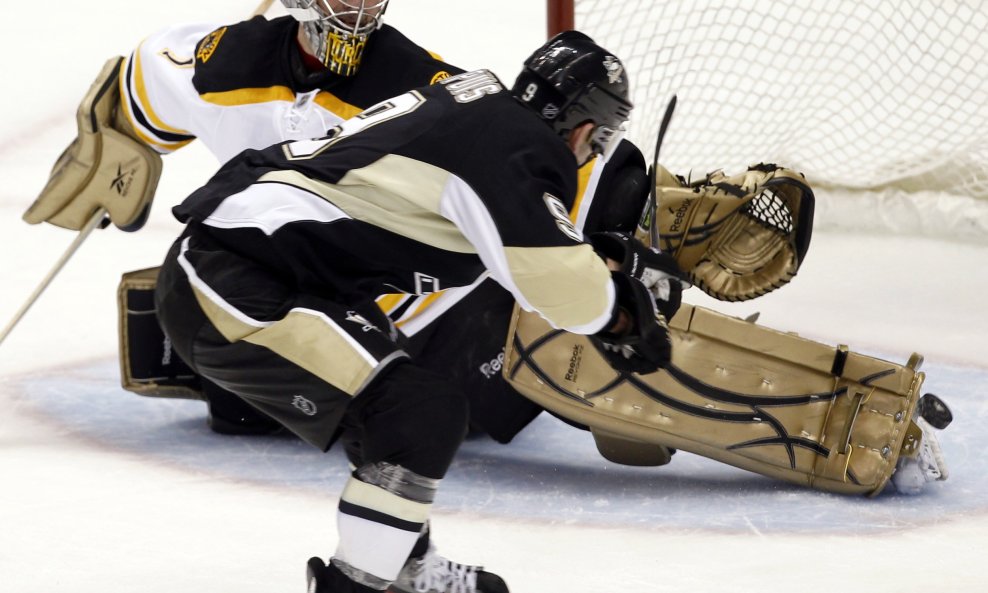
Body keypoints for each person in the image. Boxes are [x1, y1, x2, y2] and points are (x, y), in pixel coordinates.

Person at [153, 31, 682, 593]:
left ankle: (405, 566)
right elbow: (555, 285)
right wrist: (624, 316)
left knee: (393, 406)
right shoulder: (517, 146)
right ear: (584, 129)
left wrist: (595, 267)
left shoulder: (482, 108)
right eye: (599, 140)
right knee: (419, 411)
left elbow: (509, 245)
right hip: (230, 281)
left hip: (259, 268)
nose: (593, 152)